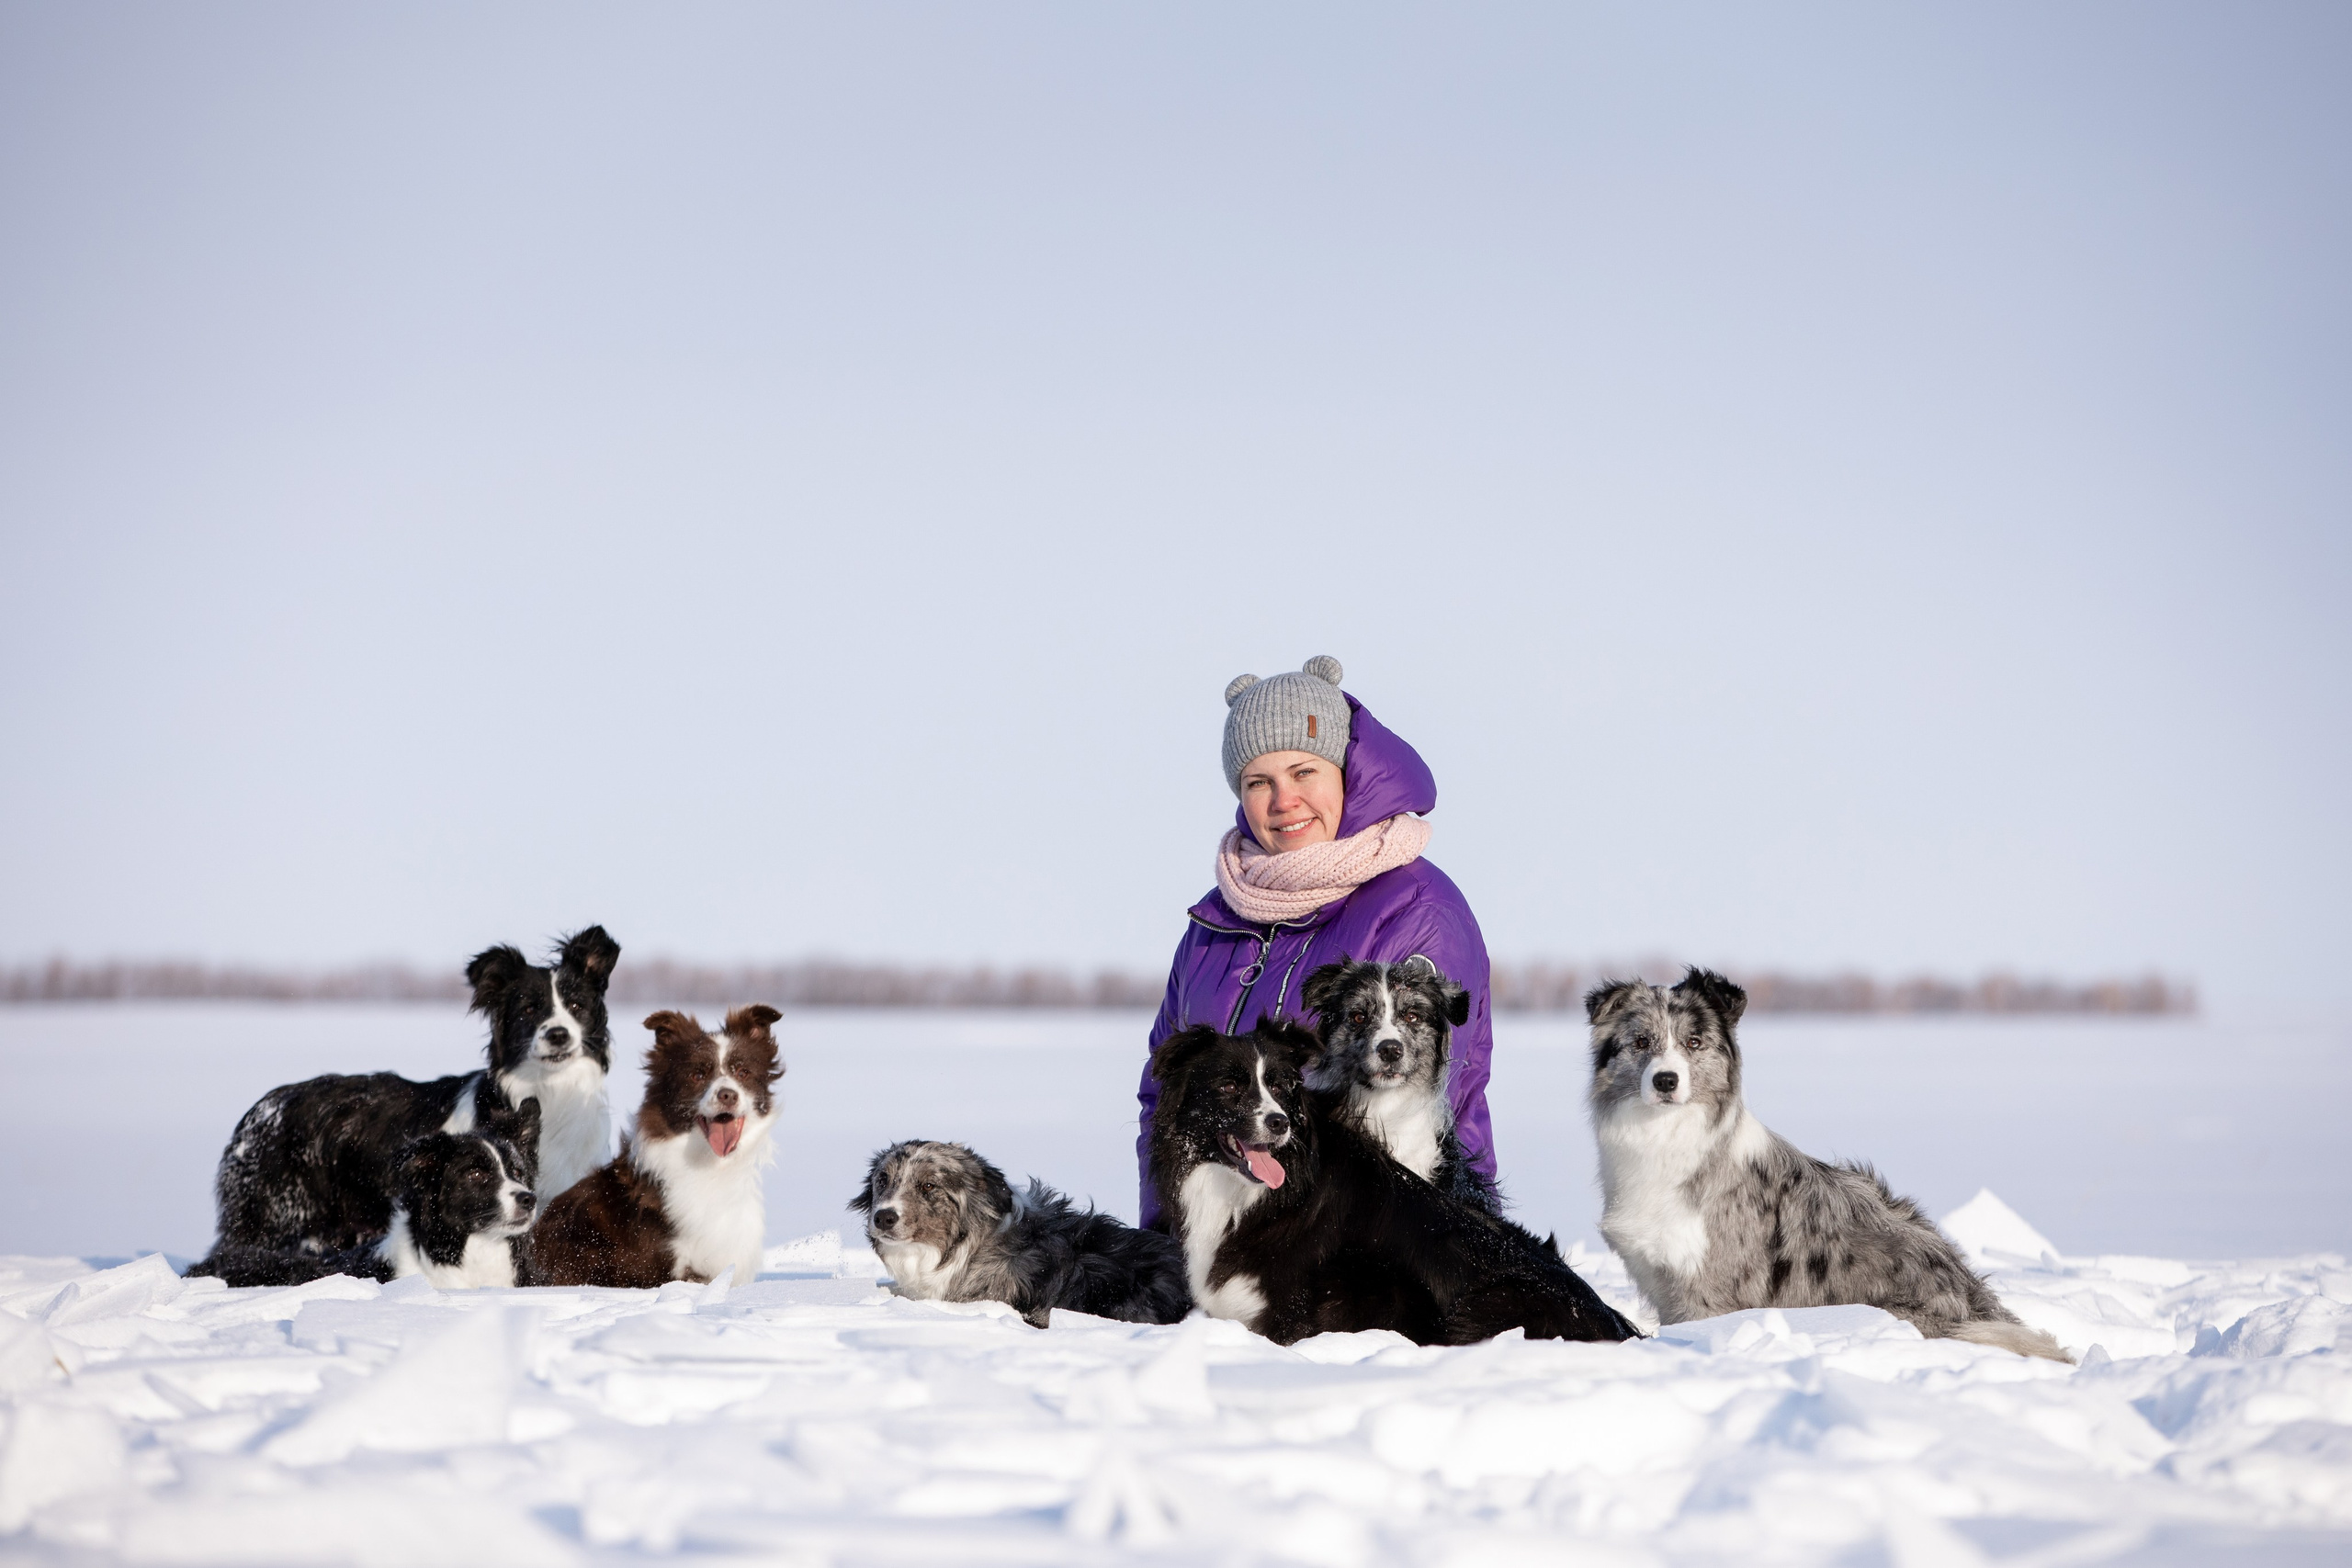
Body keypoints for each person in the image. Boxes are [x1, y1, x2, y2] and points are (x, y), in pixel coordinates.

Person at [1135, 655, 1496, 1227]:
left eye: (1305, 773)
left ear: (1345, 773)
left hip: (1376, 1244)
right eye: (1260, 782)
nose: (1284, 801)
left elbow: (1418, 1106)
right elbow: (1166, 1100)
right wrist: (1168, 1237)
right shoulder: (1216, 920)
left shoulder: (1416, 909)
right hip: (1231, 1251)